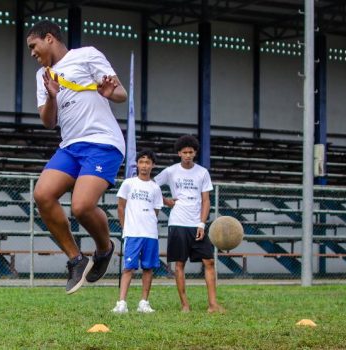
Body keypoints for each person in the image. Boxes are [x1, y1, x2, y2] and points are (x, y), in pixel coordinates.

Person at [26, 20, 128, 294]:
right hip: (70, 146)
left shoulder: (86, 55)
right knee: (42, 194)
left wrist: (110, 92)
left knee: (81, 206)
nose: (32, 53)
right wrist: (51, 96)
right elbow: (48, 122)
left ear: (49, 39)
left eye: (34, 46)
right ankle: (76, 259)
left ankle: (104, 249)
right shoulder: (43, 76)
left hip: (102, 142)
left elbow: (121, 93)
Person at [154, 135, 223, 313]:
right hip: (177, 223)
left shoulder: (202, 172)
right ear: (179, 153)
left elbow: (206, 200)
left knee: (209, 261)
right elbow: (151, 186)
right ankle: (185, 305)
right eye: (184, 152)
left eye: (190, 152)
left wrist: (202, 223)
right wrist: (166, 200)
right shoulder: (171, 171)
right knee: (179, 264)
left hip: (196, 224)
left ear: (195, 153)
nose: (187, 155)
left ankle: (213, 305)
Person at [113, 150, 163, 314]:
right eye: (141, 162)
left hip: (150, 234)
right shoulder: (129, 183)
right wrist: (125, 226)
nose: (144, 166)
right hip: (132, 233)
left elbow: (155, 211)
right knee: (128, 268)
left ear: (152, 165)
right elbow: (121, 207)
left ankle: (144, 302)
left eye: (148, 162)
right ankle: (121, 303)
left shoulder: (155, 188)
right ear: (137, 164)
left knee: (148, 268)